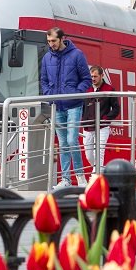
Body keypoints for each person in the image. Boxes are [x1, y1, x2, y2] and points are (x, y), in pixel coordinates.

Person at [40, 27, 92, 188]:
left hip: (74, 105)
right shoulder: (47, 58)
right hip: (57, 105)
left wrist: (76, 93)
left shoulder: (77, 55)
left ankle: (80, 176)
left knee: (71, 139)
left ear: (62, 39)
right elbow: (43, 80)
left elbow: (86, 79)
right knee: (63, 143)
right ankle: (66, 179)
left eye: (54, 41)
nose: (51, 44)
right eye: (49, 41)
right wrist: (49, 94)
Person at [82, 66, 120, 174]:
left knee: (99, 152)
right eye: (91, 76)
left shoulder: (109, 89)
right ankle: (101, 170)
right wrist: (83, 119)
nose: (93, 79)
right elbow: (83, 106)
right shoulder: (87, 90)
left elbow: (116, 108)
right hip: (88, 127)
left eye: (95, 76)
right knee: (88, 155)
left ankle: (96, 175)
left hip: (102, 126)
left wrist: (106, 119)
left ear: (102, 76)